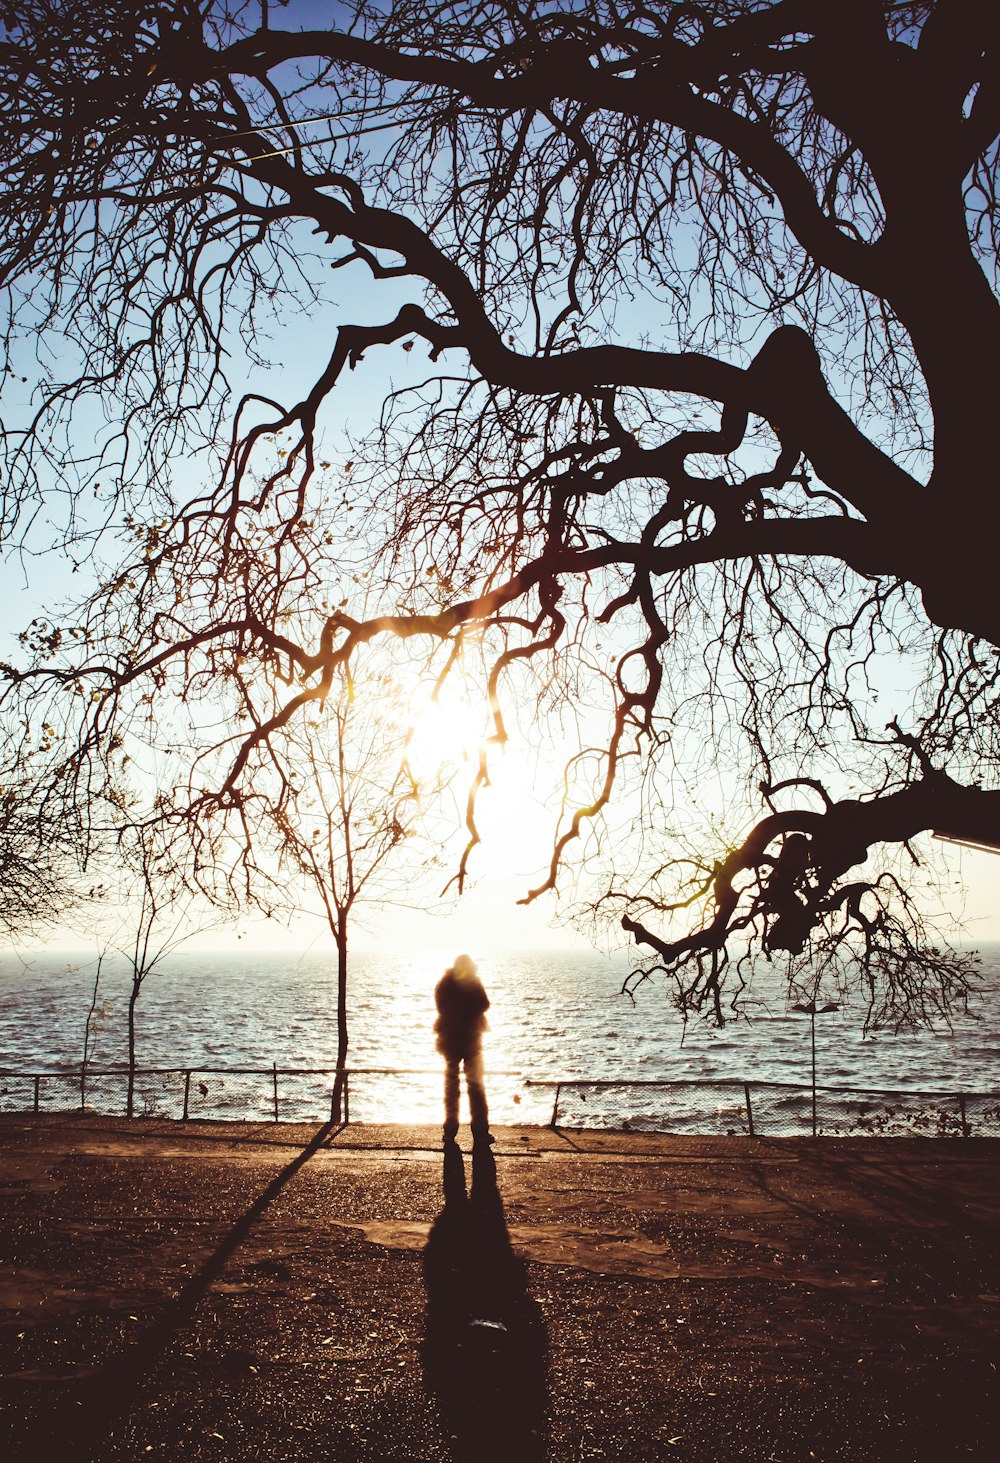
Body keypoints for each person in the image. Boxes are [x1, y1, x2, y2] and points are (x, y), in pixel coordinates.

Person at [434, 953, 492, 1145]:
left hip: (451, 1040)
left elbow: (441, 1006)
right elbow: (485, 1004)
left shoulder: (445, 983)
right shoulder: (474, 983)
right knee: (476, 1086)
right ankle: (480, 1132)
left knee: (451, 1087)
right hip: (471, 1040)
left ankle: (450, 1131)